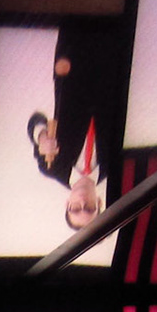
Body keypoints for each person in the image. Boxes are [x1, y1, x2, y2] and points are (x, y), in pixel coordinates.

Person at [27, 23, 120, 230]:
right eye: (89, 208)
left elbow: (36, 120)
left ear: (67, 204)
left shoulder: (51, 167)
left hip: (71, 67)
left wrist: (41, 137)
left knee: (77, 11)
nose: (82, 203)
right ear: (100, 203)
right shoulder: (116, 165)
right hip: (111, 63)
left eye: (75, 209)